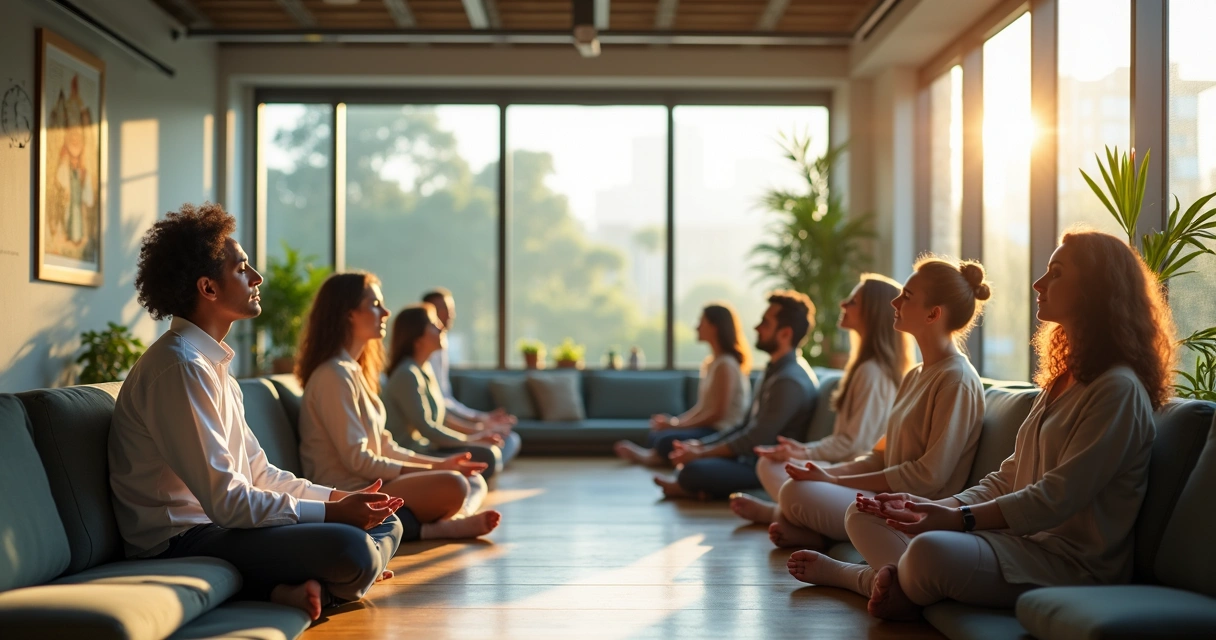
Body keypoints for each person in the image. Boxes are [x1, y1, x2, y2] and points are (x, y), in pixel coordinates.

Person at [793, 232, 1176, 621]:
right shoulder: (1064, 379)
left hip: (1070, 564)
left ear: (1097, 289)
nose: (1038, 284)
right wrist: (937, 507)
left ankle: (858, 578)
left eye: (1055, 273)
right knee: (863, 515)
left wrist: (960, 519)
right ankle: (899, 583)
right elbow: (1009, 475)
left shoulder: (1118, 390)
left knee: (929, 552)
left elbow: (1055, 498)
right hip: (1017, 541)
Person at [109, 203, 405, 621]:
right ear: (208, 288)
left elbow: (260, 474)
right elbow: (228, 502)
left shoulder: (215, 367)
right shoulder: (180, 368)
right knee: (352, 547)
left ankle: (309, 584)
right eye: (242, 268)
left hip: (224, 529)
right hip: (181, 541)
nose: (257, 277)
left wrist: (339, 498)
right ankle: (328, 579)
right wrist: (333, 514)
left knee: (387, 523)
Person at [766, 257, 989, 552]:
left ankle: (807, 529)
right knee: (795, 487)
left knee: (795, 494)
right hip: (887, 493)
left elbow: (929, 477)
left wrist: (833, 479)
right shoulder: (916, 375)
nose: (895, 303)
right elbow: (880, 457)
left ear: (933, 314)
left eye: (906, 297)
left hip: (914, 507)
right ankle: (809, 529)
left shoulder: (956, 380)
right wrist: (830, 475)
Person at [296, 272, 501, 541]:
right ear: (348, 313)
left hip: (373, 480)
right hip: (351, 491)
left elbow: (385, 446)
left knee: (470, 480)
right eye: (374, 304)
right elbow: (359, 461)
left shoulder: (353, 371)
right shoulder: (333, 375)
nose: (386, 311)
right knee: (455, 483)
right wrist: (437, 469)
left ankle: (430, 523)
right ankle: (435, 527)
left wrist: (441, 462)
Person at [731, 274, 915, 523]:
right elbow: (847, 443)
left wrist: (806, 453)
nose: (843, 304)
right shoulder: (863, 366)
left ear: (871, 313)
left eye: (853, 301)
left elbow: (852, 446)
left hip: (858, 481)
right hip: (844, 469)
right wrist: (801, 451)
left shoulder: (872, 371)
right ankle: (789, 517)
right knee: (769, 463)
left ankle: (779, 514)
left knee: (776, 471)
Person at [652, 291, 818, 500]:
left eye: (765, 323)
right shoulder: (774, 371)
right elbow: (745, 426)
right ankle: (702, 488)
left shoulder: (789, 381)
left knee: (691, 470)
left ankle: (698, 486)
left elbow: (756, 439)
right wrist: (702, 445)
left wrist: (702, 453)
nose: (757, 327)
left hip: (764, 466)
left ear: (785, 333)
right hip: (748, 458)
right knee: (689, 459)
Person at [614, 303, 753, 466]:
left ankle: (654, 457)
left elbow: (718, 414)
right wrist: (674, 423)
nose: (696, 327)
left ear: (715, 327)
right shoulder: (713, 363)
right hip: (711, 426)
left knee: (666, 440)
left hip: (721, 431)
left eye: (701, 322)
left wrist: (677, 426)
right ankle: (657, 456)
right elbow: (702, 408)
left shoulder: (726, 365)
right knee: (657, 435)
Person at [384, 303, 507, 478]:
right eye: (433, 324)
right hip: (416, 455)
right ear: (417, 337)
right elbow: (427, 428)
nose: (441, 327)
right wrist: (472, 438)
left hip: (430, 447)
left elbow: (442, 418)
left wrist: (478, 431)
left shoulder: (424, 369)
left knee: (495, 448)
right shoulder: (406, 374)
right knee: (489, 455)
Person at [422, 288, 522, 465]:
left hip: (447, 432)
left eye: (451, 309)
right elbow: (437, 415)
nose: (450, 315)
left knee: (510, 440)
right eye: (443, 309)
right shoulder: (419, 363)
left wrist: (482, 421)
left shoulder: (440, 350)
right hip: (435, 441)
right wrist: (478, 429)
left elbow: (445, 401)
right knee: (497, 449)